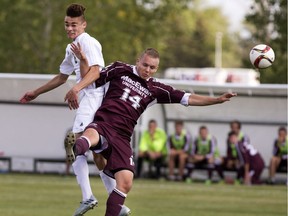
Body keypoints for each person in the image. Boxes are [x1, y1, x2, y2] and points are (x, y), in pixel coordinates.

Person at [64, 47, 237, 215]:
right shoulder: (119, 68)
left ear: (156, 69)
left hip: (123, 137)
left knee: (125, 182)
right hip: (105, 123)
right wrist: (83, 64)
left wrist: (216, 99)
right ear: (138, 61)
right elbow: (92, 78)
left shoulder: (156, 89)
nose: (147, 70)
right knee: (89, 137)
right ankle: (75, 147)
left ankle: (78, 148)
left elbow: (187, 98)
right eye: (145, 65)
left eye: (152, 67)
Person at [19, 3, 130, 216]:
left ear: (84, 25)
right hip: (92, 97)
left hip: (92, 97)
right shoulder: (72, 47)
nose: (70, 28)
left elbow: (96, 72)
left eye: (74, 25)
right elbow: (62, 77)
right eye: (67, 24)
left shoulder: (88, 42)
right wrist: (36, 92)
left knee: (76, 142)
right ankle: (118, 204)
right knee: (98, 154)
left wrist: (76, 89)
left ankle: (88, 197)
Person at [224, 120, 249, 184]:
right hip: (233, 157)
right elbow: (229, 150)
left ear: (239, 128)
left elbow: (245, 152)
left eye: (236, 127)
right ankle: (223, 179)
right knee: (219, 161)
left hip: (242, 158)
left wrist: (237, 159)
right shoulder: (229, 137)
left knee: (239, 163)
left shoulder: (244, 137)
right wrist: (229, 159)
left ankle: (239, 179)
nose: (234, 129)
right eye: (232, 127)